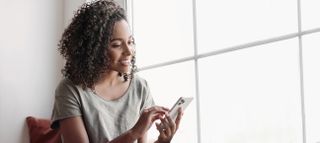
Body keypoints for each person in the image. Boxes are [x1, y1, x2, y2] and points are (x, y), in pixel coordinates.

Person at [50, 0, 183, 143]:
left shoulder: (140, 87)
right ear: (94, 49)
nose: (128, 51)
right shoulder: (70, 90)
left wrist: (161, 141)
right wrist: (134, 132)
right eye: (117, 45)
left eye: (130, 42)